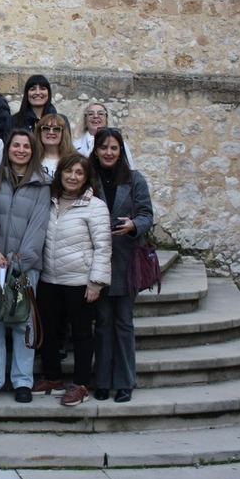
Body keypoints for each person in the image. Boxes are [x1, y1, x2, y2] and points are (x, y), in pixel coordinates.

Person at [35, 153, 112, 406]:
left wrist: (96, 282)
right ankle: (53, 378)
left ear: (86, 178)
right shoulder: (49, 200)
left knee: (81, 334)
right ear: (60, 174)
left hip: (80, 281)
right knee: (47, 331)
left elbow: (103, 246)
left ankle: (80, 384)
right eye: (69, 171)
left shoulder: (95, 206)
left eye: (79, 173)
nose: (73, 177)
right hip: (49, 279)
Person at [0, 129, 50, 404]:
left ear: (33, 151)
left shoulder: (42, 184)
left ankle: (22, 381)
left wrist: (21, 260)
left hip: (26, 264)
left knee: (23, 322)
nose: (20, 150)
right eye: (15, 145)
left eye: (26, 146)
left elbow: (39, 225)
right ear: (8, 149)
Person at [90, 128, 154, 404]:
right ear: (96, 150)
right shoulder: (88, 178)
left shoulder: (135, 179)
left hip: (127, 261)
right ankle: (102, 381)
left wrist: (133, 225)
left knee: (124, 323)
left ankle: (125, 382)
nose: (108, 152)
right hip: (97, 261)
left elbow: (146, 214)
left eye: (113, 148)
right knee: (102, 323)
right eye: (103, 147)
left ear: (121, 151)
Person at [73, 102, 135, 168]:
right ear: (85, 120)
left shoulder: (120, 143)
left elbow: (130, 169)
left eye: (100, 113)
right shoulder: (75, 146)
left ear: (107, 119)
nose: (95, 116)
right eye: (90, 114)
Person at [35, 113, 76, 179]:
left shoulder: (75, 160)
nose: (51, 132)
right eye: (46, 128)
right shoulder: (31, 159)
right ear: (39, 133)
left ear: (63, 133)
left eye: (56, 129)